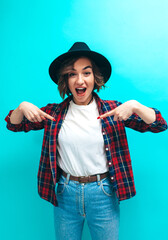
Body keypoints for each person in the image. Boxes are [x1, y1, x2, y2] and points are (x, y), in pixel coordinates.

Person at [5, 42, 167, 240]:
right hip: (65, 193)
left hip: (103, 194)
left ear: (95, 78)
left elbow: (159, 125)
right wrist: (21, 108)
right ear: (66, 79)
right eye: (72, 74)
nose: (79, 80)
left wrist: (135, 106)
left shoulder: (114, 110)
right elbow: (14, 125)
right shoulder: (54, 113)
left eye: (86, 73)